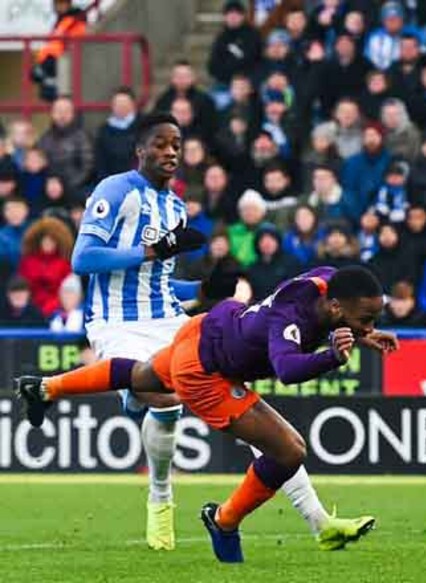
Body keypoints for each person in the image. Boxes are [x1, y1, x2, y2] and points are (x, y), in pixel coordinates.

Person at [15, 266, 396, 562]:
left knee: (141, 374)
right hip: (207, 374)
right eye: (365, 320)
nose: (369, 326)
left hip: (205, 329)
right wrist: (333, 355)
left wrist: (361, 335)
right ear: (334, 308)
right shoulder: (290, 319)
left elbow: (332, 292)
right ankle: (224, 520)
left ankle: (46, 387)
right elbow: (288, 370)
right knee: (289, 450)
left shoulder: (326, 283)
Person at [68, 113, 207, 551]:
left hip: (164, 318)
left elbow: (160, 283)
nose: (170, 152)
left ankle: (315, 515)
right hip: (116, 322)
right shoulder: (116, 189)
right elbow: (83, 260)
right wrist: (150, 249)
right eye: (161, 144)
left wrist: (207, 291)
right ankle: (161, 495)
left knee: (233, 378)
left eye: (177, 145)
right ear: (140, 151)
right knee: (164, 396)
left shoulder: (177, 208)